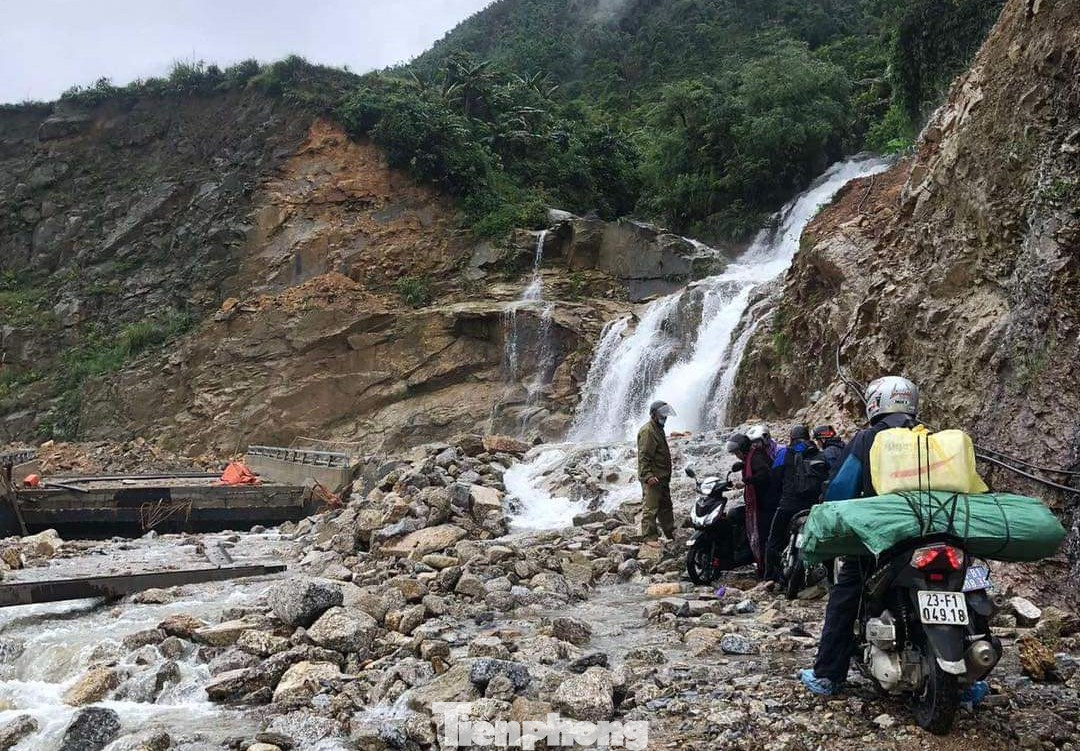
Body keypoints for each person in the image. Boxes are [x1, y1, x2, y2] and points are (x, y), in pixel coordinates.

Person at [799, 377, 989, 708]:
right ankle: (972, 681)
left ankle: (828, 675)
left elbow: (841, 490)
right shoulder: (933, 439)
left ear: (875, 403)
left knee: (846, 595)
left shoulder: (867, 439)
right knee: (968, 590)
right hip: (943, 534)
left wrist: (829, 508)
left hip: (885, 543)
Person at [765, 425, 829, 582]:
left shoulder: (785, 453)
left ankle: (770, 578)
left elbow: (774, 479)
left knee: (774, 540)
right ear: (808, 437)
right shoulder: (819, 453)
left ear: (791, 438)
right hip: (813, 506)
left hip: (789, 504)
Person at [727, 428, 775, 578]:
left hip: (766, 503)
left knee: (762, 537)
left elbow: (765, 474)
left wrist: (747, 481)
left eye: (737, 453)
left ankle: (766, 571)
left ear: (743, 449)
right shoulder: (751, 458)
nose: (737, 456)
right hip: (761, 502)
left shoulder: (756, 458)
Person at [637, 400, 676, 544]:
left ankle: (671, 533)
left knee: (666, 507)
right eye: (662, 414)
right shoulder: (648, 431)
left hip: (662, 478)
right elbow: (644, 456)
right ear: (653, 414)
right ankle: (649, 538)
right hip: (653, 478)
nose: (664, 417)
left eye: (665, 415)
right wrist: (648, 476)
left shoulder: (658, 428)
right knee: (651, 508)